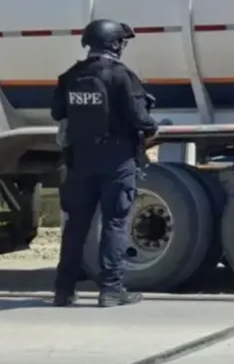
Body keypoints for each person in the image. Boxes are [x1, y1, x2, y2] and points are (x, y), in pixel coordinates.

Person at [50, 19, 158, 308]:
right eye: (121, 42)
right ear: (113, 43)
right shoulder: (122, 76)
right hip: (116, 161)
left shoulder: (70, 76)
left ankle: (63, 290)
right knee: (115, 222)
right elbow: (141, 120)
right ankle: (111, 289)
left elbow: (56, 111)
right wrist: (151, 123)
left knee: (76, 226)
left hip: (79, 162)